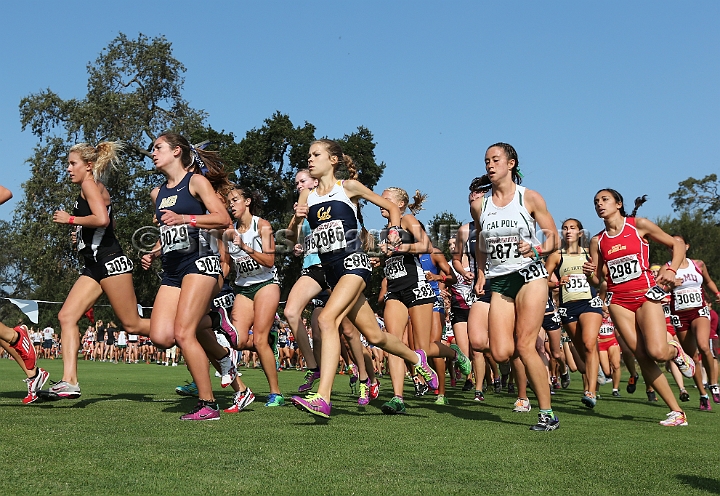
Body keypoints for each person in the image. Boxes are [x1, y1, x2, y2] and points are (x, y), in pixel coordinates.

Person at [288, 139, 437, 418]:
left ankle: (323, 397)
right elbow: (290, 237)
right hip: (331, 271)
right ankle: (416, 359)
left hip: (354, 264)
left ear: (333, 160)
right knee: (375, 335)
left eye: (316, 155)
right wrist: (296, 220)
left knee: (325, 319)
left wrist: (393, 231)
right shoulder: (306, 196)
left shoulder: (348, 188)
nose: (310, 159)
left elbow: (392, 209)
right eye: (308, 155)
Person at [46, 142, 150, 399]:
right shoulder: (92, 186)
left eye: (73, 164)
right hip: (94, 266)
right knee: (66, 317)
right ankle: (70, 381)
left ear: (88, 166)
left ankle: (188, 331)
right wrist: (82, 234)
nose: (68, 169)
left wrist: (71, 220)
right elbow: (108, 223)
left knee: (133, 324)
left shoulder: (89, 185)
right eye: (68, 164)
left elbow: (102, 219)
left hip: (110, 261)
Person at [584, 189, 695, 426]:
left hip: (646, 295)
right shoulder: (598, 241)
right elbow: (599, 279)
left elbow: (675, 244)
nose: (599, 205)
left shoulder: (638, 225)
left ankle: (676, 351)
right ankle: (677, 412)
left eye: (604, 200)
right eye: (596, 202)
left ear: (618, 203)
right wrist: (590, 275)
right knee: (642, 356)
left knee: (657, 352)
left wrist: (671, 270)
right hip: (618, 301)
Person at [140, 132, 232, 421]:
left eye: (158, 148)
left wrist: (186, 218)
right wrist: (155, 252)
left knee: (183, 333)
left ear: (177, 151)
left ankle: (208, 405)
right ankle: (217, 331)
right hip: (172, 268)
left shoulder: (195, 182)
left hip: (201, 261)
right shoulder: (159, 193)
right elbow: (170, 233)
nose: (152, 153)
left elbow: (222, 219)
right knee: (161, 336)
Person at [472, 142, 560, 431]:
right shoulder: (479, 204)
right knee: (498, 351)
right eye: (486, 161)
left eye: (495, 159)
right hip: (500, 279)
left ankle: (547, 414)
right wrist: (481, 272)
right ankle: (531, 344)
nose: (490, 165)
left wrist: (535, 250)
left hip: (530, 275)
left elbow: (554, 240)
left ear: (511, 164)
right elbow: (482, 241)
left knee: (523, 345)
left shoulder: (529, 197)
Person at [378, 187, 470, 414]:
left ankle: (453, 353)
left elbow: (426, 246)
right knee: (393, 343)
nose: (380, 203)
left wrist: (399, 247)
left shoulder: (408, 219)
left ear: (399, 204)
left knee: (423, 348)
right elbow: (392, 257)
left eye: (385, 199)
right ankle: (398, 397)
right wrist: (379, 259)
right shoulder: (384, 230)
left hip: (416, 286)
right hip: (394, 288)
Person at [224, 186, 284, 407]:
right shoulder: (229, 233)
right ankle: (270, 341)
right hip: (243, 287)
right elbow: (227, 266)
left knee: (258, 339)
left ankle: (275, 393)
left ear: (247, 201)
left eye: (235, 200)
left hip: (266, 283)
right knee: (236, 341)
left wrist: (245, 246)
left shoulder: (262, 225)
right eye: (229, 202)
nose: (232, 205)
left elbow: (270, 261)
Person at [544, 218, 604, 408]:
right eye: (565, 228)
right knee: (582, 354)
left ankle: (591, 391)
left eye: (572, 228)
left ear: (580, 233)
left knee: (589, 343)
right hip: (568, 307)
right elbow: (542, 280)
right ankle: (594, 376)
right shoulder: (556, 256)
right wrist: (556, 283)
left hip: (590, 303)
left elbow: (599, 281)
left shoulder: (589, 254)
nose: (568, 231)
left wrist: (590, 275)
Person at [666, 234, 720, 408]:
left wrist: (717, 294)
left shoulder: (698, 264)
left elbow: (709, 281)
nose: (676, 247)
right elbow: (659, 288)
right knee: (692, 357)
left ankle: (713, 384)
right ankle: (703, 395)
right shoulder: (666, 269)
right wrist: (670, 284)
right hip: (680, 316)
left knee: (704, 346)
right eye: (672, 245)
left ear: (687, 246)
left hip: (699, 311)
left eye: (679, 244)